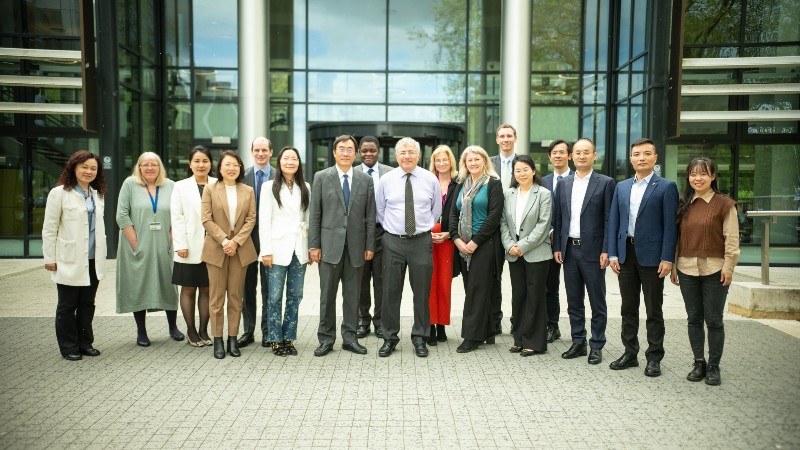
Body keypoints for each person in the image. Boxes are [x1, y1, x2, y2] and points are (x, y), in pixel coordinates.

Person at [608, 138, 679, 377]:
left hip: (652, 257)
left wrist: (667, 258)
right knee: (628, 308)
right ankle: (630, 353)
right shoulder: (622, 186)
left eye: (647, 154)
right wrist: (613, 253)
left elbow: (671, 226)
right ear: (631, 159)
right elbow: (614, 222)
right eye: (637, 154)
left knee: (653, 309)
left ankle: (654, 357)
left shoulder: (666, 187)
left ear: (655, 158)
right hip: (626, 255)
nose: (641, 158)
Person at [670, 157, 739, 386]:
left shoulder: (725, 204)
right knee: (694, 319)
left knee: (714, 320)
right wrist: (673, 266)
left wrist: (729, 268)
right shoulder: (684, 204)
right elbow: (676, 238)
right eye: (693, 174)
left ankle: (713, 366)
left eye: (703, 174)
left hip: (715, 269)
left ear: (713, 176)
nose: (697, 178)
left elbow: (732, 240)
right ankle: (698, 362)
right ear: (688, 177)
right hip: (687, 268)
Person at [308, 135, 376, 357]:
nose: (346, 153)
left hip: (356, 247)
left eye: (350, 149)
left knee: (352, 295)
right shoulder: (321, 177)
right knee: (327, 295)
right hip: (329, 247)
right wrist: (314, 246)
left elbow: (370, 216)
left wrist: (369, 245)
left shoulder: (365, 180)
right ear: (334, 152)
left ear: (355, 154)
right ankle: (326, 338)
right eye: (341, 149)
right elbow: (315, 215)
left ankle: (350, 338)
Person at [375, 137, 442, 358]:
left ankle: (420, 338)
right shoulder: (386, 180)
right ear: (396, 156)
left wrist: (422, 229)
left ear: (418, 155)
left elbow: (435, 211)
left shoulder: (430, 179)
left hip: (421, 241)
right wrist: (394, 230)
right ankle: (389, 338)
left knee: (421, 293)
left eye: (411, 152)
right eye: (402, 152)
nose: (407, 156)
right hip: (393, 241)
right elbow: (380, 210)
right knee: (390, 293)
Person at [552, 138, 615, 365]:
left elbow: (609, 219)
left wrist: (607, 249)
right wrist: (558, 246)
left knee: (597, 300)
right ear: (572, 156)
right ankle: (579, 341)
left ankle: (597, 344)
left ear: (594, 156)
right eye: (577, 152)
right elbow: (558, 218)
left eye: (586, 152)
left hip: (594, 251)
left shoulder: (606, 183)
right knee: (573, 300)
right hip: (569, 250)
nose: (581, 156)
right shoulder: (564, 184)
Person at [42, 151, 107, 361]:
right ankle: (69, 346)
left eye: (93, 168)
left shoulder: (97, 194)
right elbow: (49, 228)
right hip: (68, 259)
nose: (89, 171)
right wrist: (49, 258)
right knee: (67, 305)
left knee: (87, 304)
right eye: (84, 167)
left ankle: (85, 343)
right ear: (74, 167)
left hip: (92, 259)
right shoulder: (59, 193)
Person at [116, 152, 182, 347]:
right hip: (136, 244)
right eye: (145, 165)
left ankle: (173, 327)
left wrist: (171, 238)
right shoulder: (130, 184)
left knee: (169, 283)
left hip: (166, 243)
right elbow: (121, 215)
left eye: (154, 164)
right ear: (139, 167)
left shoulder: (171, 186)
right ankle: (142, 332)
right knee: (140, 285)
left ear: (160, 167)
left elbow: (179, 214)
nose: (150, 168)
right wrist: (136, 242)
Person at [201, 151, 258, 359]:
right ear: (220, 168)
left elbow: (251, 219)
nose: (231, 168)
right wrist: (225, 240)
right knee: (216, 298)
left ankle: (232, 339)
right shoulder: (210, 188)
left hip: (240, 250)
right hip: (217, 249)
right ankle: (218, 339)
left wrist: (236, 242)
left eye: (235, 164)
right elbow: (206, 219)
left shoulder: (248, 190)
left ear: (240, 168)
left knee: (235, 297)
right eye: (227, 164)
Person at [450, 146, 504, 353]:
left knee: (476, 290)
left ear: (484, 161)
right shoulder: (462, 185)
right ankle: (488, 331)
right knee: (474, 289)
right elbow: (453, 214)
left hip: (484, 245)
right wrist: (456, 239)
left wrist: (475, 242)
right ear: (464, 163)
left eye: (476, 159)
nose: (472, 163)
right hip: (462, 245)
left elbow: (494, 216)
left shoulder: (493, 184)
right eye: (469, 160)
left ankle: (471, 337)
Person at [259, 146, 312, 356]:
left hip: (298, 249)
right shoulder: (268, 187)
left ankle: (289, 337)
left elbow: (307, 220)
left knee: (295, 295)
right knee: (274, 296)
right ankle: (274, 338)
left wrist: (309, 249)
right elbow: (264, 221)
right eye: (286, 158)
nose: (290, 162)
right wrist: (266, 251)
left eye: (294, 159)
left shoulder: (305, 186)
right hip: (276, 248)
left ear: (299, 163)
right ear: (279, 162)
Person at [499, 155, 552, 356]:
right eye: (517, 171)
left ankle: (534, 342)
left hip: (536, 253)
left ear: (533, 171)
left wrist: (522, 246)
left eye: (525, 169)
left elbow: (543, 224)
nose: (521, 173)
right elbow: (503, 222)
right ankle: (519, 338)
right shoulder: (509, 194)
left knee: (535, 297)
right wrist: (509, 245)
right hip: (514, 254)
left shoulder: (543, 194)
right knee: (518, 296)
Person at [171, 145, 217, 347]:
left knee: (207, 289)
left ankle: (203, 330)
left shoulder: (218, 183)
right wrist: (180, 244)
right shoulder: (180, 186)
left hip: (213, 247)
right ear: (190, 164)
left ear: (210, 164)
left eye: (205, 161)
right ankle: (191, 330)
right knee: (188, 288)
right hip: (188, 246)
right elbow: (177, 216)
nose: (201, 165)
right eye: (197, 161)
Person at [238, 137, 276, 349]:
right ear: (252, 152)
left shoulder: (279, 176)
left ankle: (268, 331)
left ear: (271, 152)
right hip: (247, 241)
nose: (260, 154)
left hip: (271, 242)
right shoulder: (242, 177)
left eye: (264, 150)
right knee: (247, 288)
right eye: (257, 150)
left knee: (270, 289)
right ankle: (248, 331)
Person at [354, 136, 393, 340]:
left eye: (372, 151)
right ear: (359, 152)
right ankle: (363, 321)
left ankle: (380, 322)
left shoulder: (390, 173)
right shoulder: (352, 173)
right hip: (359, 234)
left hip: (382, 232)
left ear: (378, 151)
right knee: (360, 279)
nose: (368, 154)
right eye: (364, 151)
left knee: (381, 280)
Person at [540, 139, 573, 343]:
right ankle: (552, 325)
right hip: (549, 241)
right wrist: (550, 230)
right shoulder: (543, 181)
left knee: (574, 287)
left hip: (572, 242)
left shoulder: (577, 179)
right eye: (554, 152)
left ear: (569, 155)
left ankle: (578, 329)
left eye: (562, 152)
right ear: (550, 157)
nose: (558, 155)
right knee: (549, 286)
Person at [427, 144, 459, 346]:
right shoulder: (428, 180)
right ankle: (430, 324)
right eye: (437, 160)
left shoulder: (459, 182)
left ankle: (442, 325)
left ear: (451, 161)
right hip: (428, 237)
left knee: (444, 283)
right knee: (429, 283)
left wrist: (450, 233)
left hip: (449, 238)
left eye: (444, 159)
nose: (441, 163)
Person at [488, 123, 517, 335]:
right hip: (494, 229)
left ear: (515, 138)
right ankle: (495, 320)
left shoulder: (523, 163)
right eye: (502, 136)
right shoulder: (488, 163)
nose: (505, 139)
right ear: (497, 140)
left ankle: (518, 321)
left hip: (518, 229)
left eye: (509, 136)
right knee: (494, 278)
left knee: (519, 279)